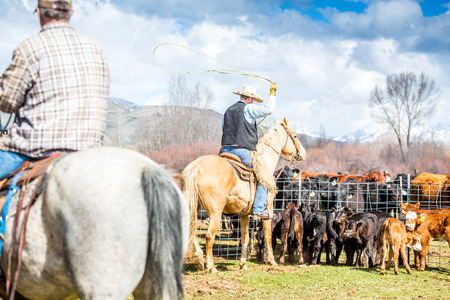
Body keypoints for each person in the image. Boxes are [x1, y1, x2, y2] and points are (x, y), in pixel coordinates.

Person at [0, 0, 110, 180]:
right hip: (90, 149)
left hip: (36, 147)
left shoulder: (30, 48)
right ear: (71, 13)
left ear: (39, 12)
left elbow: (8, 103)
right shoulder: (96, 47)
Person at [221, 82, 277, 220]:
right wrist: (272, 94)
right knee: (264, 176)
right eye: (253, 100)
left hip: (225, 151)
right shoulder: (248, 109)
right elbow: (268, 109)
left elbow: (224, 128)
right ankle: (258, 210)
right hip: (242, 152)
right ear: (250, 99)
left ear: (241, 95)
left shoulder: (228, 110)